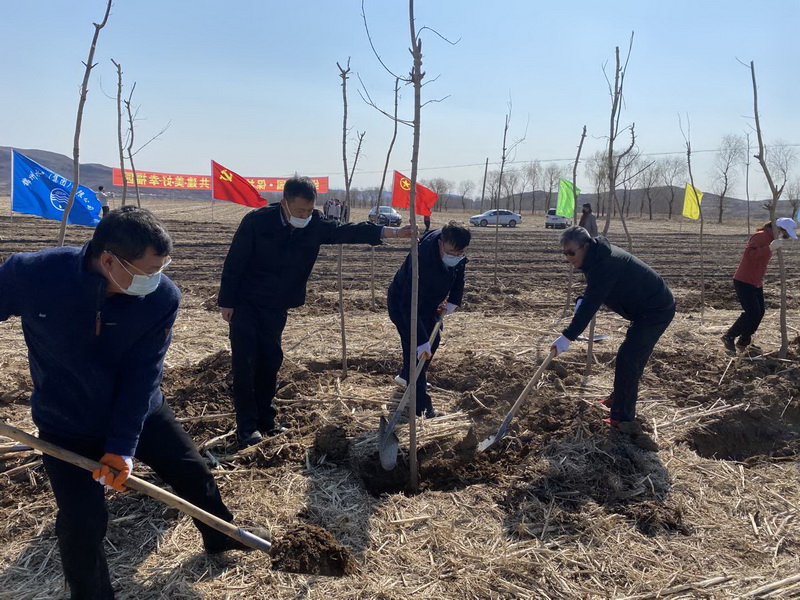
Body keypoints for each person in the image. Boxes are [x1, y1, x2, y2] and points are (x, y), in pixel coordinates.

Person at [0, 206, 261, 600]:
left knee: (192, 472)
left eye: (161, 269)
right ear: (108, 260)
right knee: (82, 523)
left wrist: (121, 448)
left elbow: (143, 375)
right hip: (65, 421)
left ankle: (221, 535)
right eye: (146, 272)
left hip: (141, 411)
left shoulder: (161, 298)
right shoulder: (33, 274)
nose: (155, 281)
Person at [218, 176, 414, 448]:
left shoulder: (314, 224)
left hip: (277, 304)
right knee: (246, 363)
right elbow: (235, 261)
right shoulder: (256, 222)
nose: (305, 216)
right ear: (285, 203)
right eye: (300, 211)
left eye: (309, 211)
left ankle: (266, 419)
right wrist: (227, 301)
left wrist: (389, 232)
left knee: (271, 360)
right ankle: (246, 427)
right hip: (245, 303)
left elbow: (348, 231)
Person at [550, 226, 675, 427]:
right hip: (645, 309)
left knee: (629, 357)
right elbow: (594, 292)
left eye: (571, 252)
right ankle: (618, 399)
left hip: (656, 310)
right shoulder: (595, 257)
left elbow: (592, 302)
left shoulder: (605, 263)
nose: (568, 257)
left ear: (586, 245)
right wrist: (583, 298)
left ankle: (622, 417)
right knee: (632, 357)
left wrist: (568, 336)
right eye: (564, 253)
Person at [387, 221, 471, 418]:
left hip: (429, 304)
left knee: (433, 342)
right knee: (417, 352)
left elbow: (459, 271)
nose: (455, 256)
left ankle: (406, 377)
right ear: (441, 243)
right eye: (451, 252)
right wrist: (420, 339)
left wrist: (454, 300)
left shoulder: (455, 247)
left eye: (460, 253)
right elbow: (408, 304)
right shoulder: (422, 260)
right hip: (404, 304)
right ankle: (422, 408)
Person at [722, 217, 797, 353]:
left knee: (760, 312)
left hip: (756, 281)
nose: (785, 237)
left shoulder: (771, 238)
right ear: (780, 229)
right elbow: (749, 254)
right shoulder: (760, 236)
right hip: (744, 280)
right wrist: (769, 248)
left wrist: (770, 247)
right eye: (785, 233)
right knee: (752, 312)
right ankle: (729, 336)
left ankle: (744, 340)